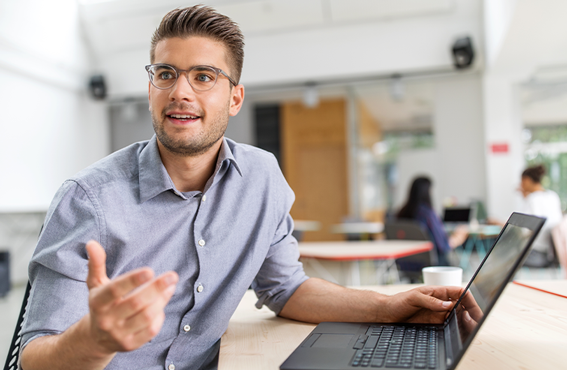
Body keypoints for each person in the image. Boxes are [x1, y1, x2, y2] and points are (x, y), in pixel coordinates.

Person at [20, 6, 464, 370]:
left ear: (235, 98)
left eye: (204, 76)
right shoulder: (88, 199)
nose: (180, 92)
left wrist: (390, 307)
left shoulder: (261, 177)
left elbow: (286, 289)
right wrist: (95, 341)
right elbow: (33, 358)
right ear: (151, 86)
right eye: (166, 73)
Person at [397, 176, 468, 266]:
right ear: (427, 192)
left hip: (406, 264)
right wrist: (458, 238)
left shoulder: (401, 213)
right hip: (432, 266)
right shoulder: (428, 215)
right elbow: (443, 246)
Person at [519, 165, 563, 267]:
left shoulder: (533, 199)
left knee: (505, 255)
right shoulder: (553, 195)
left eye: (522, 182)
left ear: (527, 180)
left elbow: (524, 230)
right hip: (555, 252)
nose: (521, 185)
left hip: (536, 253)